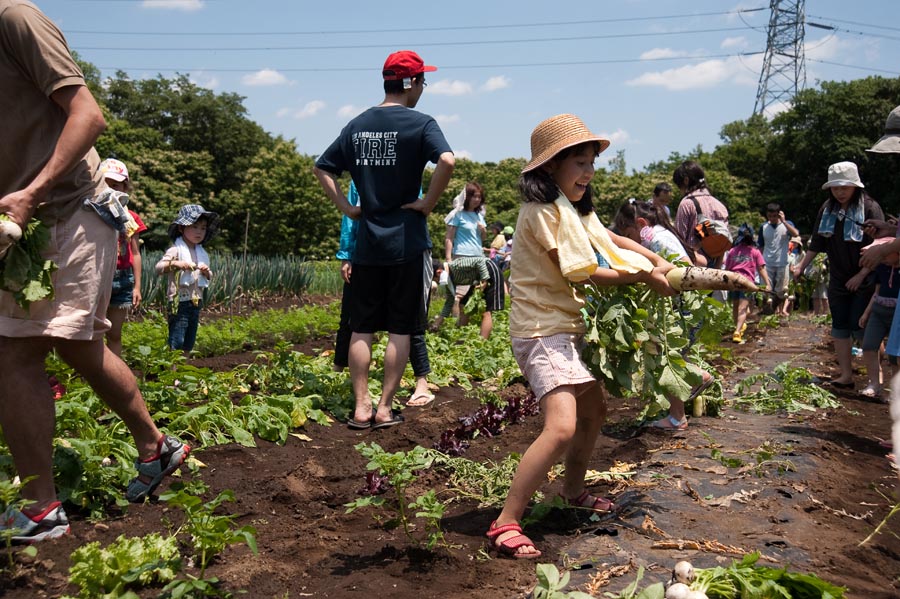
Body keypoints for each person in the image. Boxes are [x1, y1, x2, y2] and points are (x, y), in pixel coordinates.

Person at [0, 1, 189, 542]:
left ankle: (38, 509)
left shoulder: (15, 19)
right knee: (79, 347)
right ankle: (157, 447)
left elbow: (89, 115)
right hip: (29, 219)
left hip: (67, 207)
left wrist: (31, 193)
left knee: (14, 350)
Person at [485, 114, 676, 559]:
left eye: (592, 163)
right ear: (549, 166)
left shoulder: (572, 210)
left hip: (562, 329)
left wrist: (654, 259)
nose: (588, 172)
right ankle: (506, 521)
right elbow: (586, 270)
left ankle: (571, 493)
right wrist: (646, 276)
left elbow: (607, 239)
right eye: (579, 163)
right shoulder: (541, 212)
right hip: (540, 332)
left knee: (594, 408)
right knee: (561, 426)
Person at [313, 50, 454, 430]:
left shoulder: (357, 125)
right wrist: (427, 202)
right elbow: (447, 161)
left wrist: (347, 206)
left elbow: (322, 167)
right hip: (407, 242)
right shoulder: (421, 124)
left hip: (368, 244)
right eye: (423, 80)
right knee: (400, 329)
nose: (424, 87)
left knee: (362, 327)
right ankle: (385, 408)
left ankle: (361, 406)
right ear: (411, 84)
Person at [333, 181, 436, 411]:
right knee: (354, 318)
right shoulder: (362, 174)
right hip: (371, 251)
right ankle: (342, 375)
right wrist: (347, 254)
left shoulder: (408, 171)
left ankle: (421, 382)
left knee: (408, 323)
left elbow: (417, 208)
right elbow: (351, 216)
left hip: (400, 251)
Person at [613, 199, 714, 429]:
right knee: (667, 357)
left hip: (681, 311)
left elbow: (685, 270)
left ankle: (696, 381)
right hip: (683, 309)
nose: (630, 241)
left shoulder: (657, 240)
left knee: (666, 357)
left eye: (629, 234)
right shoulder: (662, 236)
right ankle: (678, 415)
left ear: (640, 223)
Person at [793, 162, 884, 390]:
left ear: (855, 186)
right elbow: (817, 241)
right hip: (838, 277)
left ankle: (877, 378)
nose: (840, 192)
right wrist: (801, 266)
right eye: (835, 188)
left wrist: (862, 275)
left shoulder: (870, 208)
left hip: (867, 276)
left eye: (844, 187)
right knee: (840, 326)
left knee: (862, 327)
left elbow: (882, 247)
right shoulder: (827, 210)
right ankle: (846, 375)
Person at [100, 159, 148, 357]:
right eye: (106, 184)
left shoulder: (131, 218)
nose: (111, 189)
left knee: (115, 334)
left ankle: (113, 376)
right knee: (90, 332)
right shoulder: (93, 215)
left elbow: (135, 253)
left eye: (116, 185)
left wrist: (137, 286)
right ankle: (90, 376)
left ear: (125, 187)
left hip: (122, 278)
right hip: (99, 276)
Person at [155, 204, 219, 354]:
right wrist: (177, 264)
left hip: (196, 301)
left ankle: (182, 372)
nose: (199, 232)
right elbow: (159, 267)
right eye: (195, 227)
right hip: (179, 302)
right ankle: (173, 373)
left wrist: (206, 272)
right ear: (181, 228)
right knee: (177, 339)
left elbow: (210, 276)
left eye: (203, 228)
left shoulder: (202, 252)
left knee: (189, 340)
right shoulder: (176, 250)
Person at [673, 160, 729, 268]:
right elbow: (723, 240)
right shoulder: (720, 205)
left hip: (693, 267)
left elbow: (679, 241)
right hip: (716, 266)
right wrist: (717, 269)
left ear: (685, 181)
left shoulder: (687, 204)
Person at [432, 255, 504, 339]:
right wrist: (438, 322)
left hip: (489, 271)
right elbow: (449, 302)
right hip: (478, 279)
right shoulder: (448, 280)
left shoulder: (456, 265)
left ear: (439, 272)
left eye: (435, 279)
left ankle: (482, 344)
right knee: (463, 306)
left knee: (486, 311)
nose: (437, 282)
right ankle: (461, 340)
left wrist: (485, 279)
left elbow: (479, 261)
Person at [858, 258, 899, 399]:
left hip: (897, 313)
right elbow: (876, 292)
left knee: (895, 355)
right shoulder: (881, 267)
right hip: (879, 311)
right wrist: (866, 313)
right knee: (868, 346)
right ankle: (874, 384)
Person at [725, 224, 771, 344]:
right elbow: (761, 268)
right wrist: (767, 283)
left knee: (737, 307)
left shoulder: (733, 251)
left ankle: (738, 329)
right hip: (746, 283)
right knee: (742, 308)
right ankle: (738, 330)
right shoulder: (754, 252)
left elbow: (728, 268)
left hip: (735, 282)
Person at [757, 203, 799, 317]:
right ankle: (767, 312)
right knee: (766, 290)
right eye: (770, 216)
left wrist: (784, 221)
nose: (772, 218)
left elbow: (796, 234)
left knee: (781, 291)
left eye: (775, 216)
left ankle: (774, 308)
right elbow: (760, 245)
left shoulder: (787, 225)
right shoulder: (764, 227)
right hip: (767, 263)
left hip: (782, 262)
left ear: (779, 214)